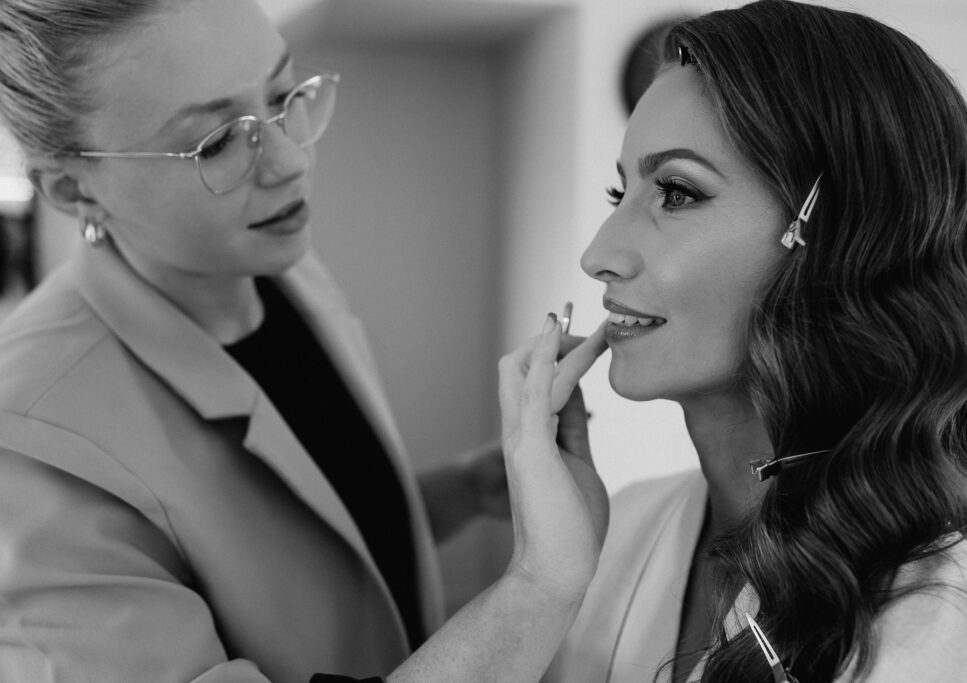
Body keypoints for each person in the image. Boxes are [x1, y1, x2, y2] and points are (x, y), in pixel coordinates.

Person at [0, 0, 609, 680]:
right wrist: (541, 583)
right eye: (218, 142)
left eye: (284, 94)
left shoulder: (276, 265)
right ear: (69, 186)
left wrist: (458, 491)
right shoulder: (25, 440)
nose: (291, 161)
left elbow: (292, 545)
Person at [540, 1, 967, 681]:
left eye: (676, 192)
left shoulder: (948, 643)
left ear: (833, 239)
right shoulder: (617, 530)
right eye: (620, 192)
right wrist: (539, 577)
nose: (599, 255)